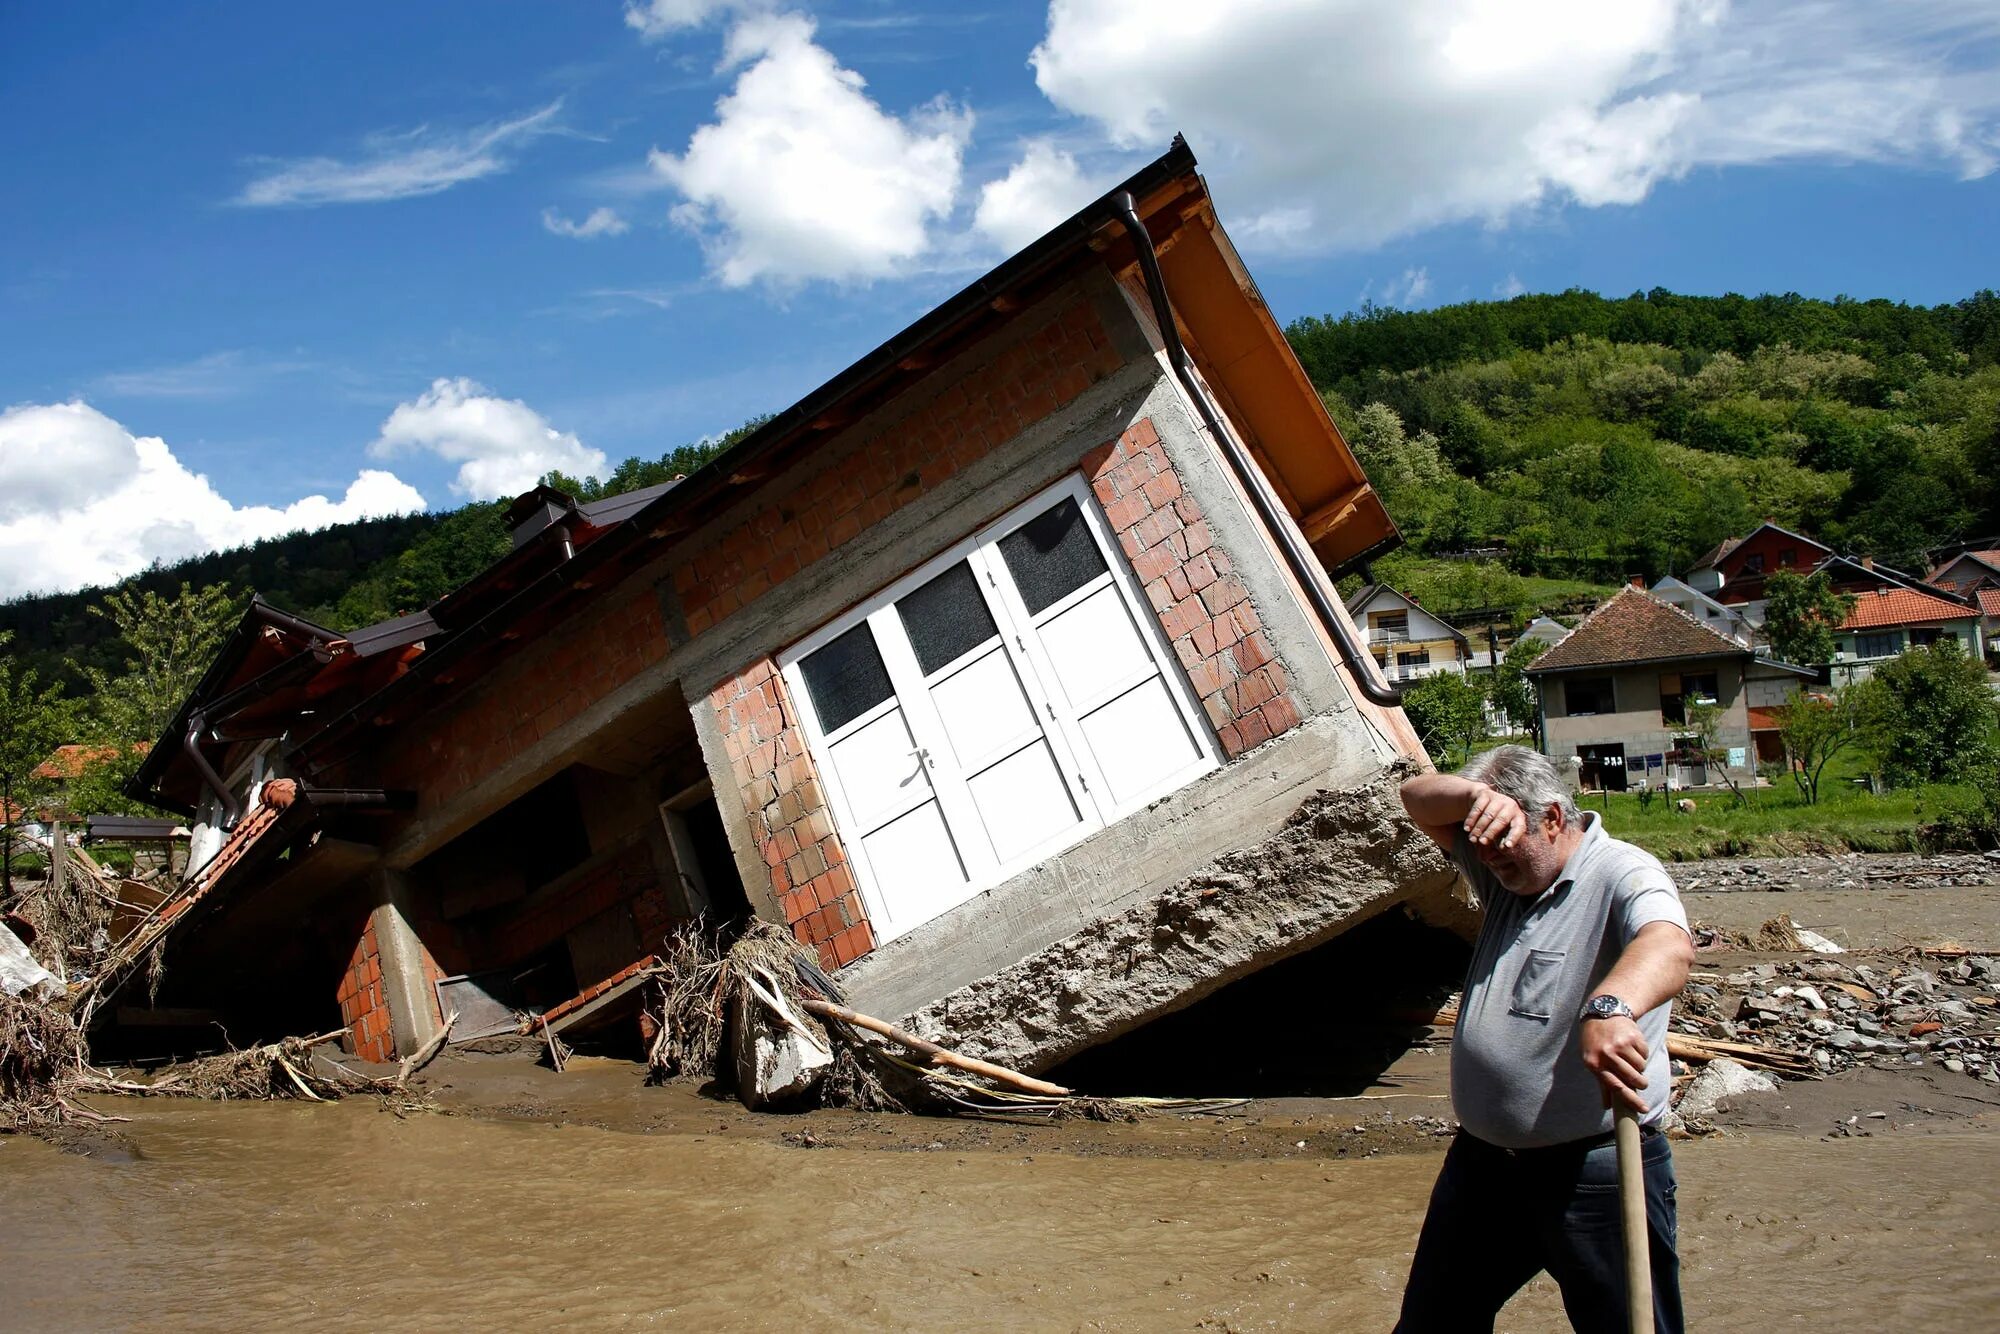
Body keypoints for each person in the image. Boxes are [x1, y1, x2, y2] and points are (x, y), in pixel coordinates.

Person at [1393, 745, 1695, 1333]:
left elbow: (1668, 944)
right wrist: (1476, 800)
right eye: (1478, 843)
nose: (1486, 857)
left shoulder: (1624, 871)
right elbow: (1414, 800)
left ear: (1553, 818)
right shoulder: (1504, 872)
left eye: (1501, 841)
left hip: (1594, 1169)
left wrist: (1612, 1006)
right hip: (1486, 1169)